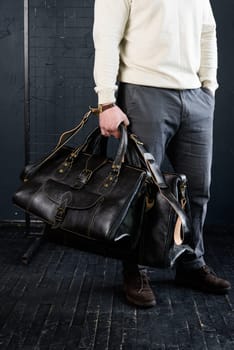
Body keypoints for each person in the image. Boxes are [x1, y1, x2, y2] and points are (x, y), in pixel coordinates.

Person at [92, 0, 231, 307]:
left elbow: (208, 32)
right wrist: (106, 100)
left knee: (197, 190)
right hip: (144, 91)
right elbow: (106, 37)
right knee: (142, 191)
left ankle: (191, 263)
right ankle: (135, 270)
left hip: (195, 97)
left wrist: (209, 85)